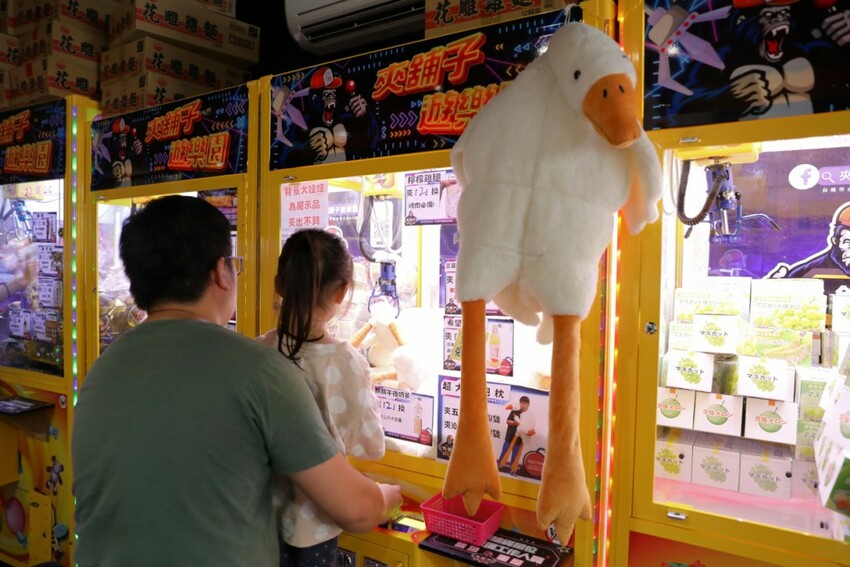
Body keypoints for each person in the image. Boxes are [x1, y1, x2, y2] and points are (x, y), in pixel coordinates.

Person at [72, 196, 401, 567]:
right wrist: (386, 496)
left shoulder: (102, 370)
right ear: (221, 272)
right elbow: (357, 510)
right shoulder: (258, 371)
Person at [257, 228, 386, 567]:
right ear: (342, 291)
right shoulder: (348, 362)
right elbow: (371, 446)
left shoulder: (257, 352)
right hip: (317, 521)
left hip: (258, 518)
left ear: (279, 284)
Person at [497, 396, 536, 476]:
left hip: (520, 439)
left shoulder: (529, 415)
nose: (523, 405)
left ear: (528, 405)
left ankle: (512, 470)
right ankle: (500, 466)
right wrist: (516, 423)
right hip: (510, 436)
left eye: (525, 404)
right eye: (522, 403)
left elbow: (530, 427)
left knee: (515, 455)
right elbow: (507, 421)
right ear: (519, 403)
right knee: (505, 451)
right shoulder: (514, 411)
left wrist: (529, 432)